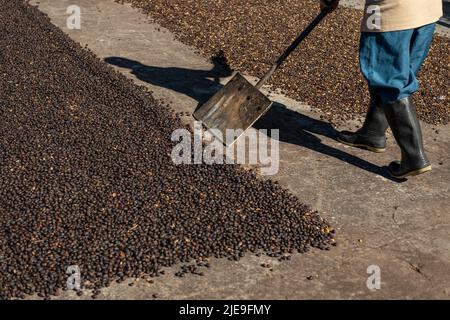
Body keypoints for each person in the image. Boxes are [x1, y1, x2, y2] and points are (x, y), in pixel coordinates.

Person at [320, 0, 443, 179]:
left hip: (387, 12)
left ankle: (413, 158)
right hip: (427, 10)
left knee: (387, 78)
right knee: (400, 72)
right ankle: (372, 133)